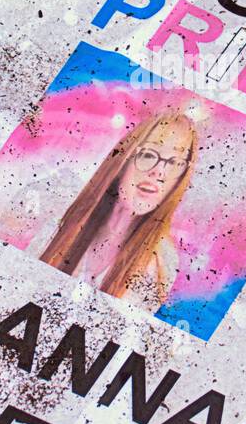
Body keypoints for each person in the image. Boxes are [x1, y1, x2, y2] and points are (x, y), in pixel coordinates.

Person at [38, 111, 197, 312]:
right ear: (124, 159)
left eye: (175, 163)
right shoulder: (60, 219)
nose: (159, 172)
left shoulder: (160, 263)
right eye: (148, 154)